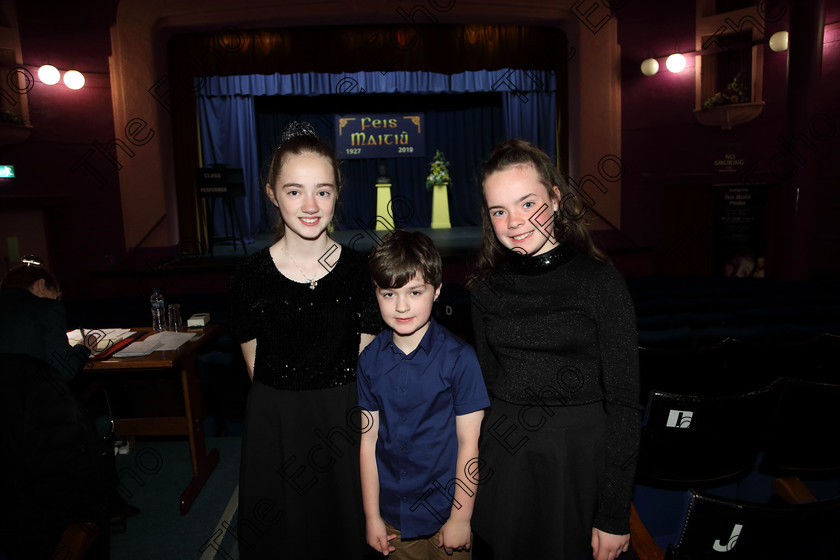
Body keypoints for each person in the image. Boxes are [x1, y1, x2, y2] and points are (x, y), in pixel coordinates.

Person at [467, 140, 642, 560]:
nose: (514, 222)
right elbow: (484, 390)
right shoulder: (483, 288)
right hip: (504, 459)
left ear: (556, 199)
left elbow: (624, 404)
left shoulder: (601, 283)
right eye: (499, 210)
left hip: (577, 460)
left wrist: (615, 513)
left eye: (528, 203)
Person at [229, 121, 383, 559]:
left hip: (345, 425)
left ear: (337, 193)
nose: (311, 205)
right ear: (271, 193)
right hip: (276, 427)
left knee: (347, 534)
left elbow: (367, 367)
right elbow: (255, 367)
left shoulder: (361, 272)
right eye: (295, 191)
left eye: (323, 190)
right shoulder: (248, 277)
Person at [358, 230, 490, 559]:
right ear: (375, 293)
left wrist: (461, 516)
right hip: (394, 519)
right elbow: (368, 441)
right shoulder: (368, 360)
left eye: (415, 292)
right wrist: (372, 517)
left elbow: (469, 444)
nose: (401, 306)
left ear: (437, 291)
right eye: (389, 294)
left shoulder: (460, 358)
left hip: (448, 512)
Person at [0, 261, 93, 379]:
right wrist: (84, 348)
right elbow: (62, 369)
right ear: (40, 285)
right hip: (33, 393)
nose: (56, 301)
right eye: (56, 297)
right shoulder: (47, 308)